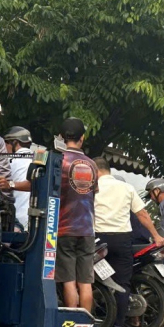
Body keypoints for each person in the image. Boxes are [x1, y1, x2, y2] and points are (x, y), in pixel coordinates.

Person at [93, 158, 164, 327]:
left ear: (95, 171)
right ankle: (118, 326)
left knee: (91, 281)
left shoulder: (91, 188)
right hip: (122, 240)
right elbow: (142, 214)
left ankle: (96, 320)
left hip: (98, 241)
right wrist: (156, 236)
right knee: (123, 283)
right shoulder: (127, 188)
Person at [55, 118, 99, 312]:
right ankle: (86, 325)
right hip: (87, 229)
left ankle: (72, 324)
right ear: (82, 138)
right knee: (85, 282)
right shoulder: (92, 165)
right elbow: (92, 194)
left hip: (64, 229)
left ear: (62, 138)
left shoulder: (59, 161)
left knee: (69, 281)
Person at [0, 127, 33, 230]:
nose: (5, 147)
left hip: (16, 221)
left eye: (6, 143)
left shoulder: (10, 162)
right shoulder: (35, 161)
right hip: (34, 222)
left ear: (15, 143)